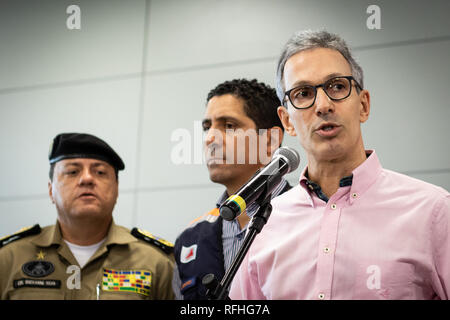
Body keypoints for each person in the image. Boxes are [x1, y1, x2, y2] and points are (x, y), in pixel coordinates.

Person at [229, 30, 450, 300]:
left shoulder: (434, 212)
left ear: (363, 105)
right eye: (303, 93)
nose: (323, 105)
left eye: (336, 86)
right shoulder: (265, 223)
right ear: (287, 121)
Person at [0, 133, 175, 300]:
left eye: (100, 172)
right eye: (72, 172)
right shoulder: (9, 259)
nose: (87, 179)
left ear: (116, 188)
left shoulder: (157, 263)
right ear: (51, 190)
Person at [172, 79, 292, 299]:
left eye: (229, 126)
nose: (210, 139)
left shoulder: (311, 218)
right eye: (207, 127)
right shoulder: (189, 240)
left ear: (270, 140)